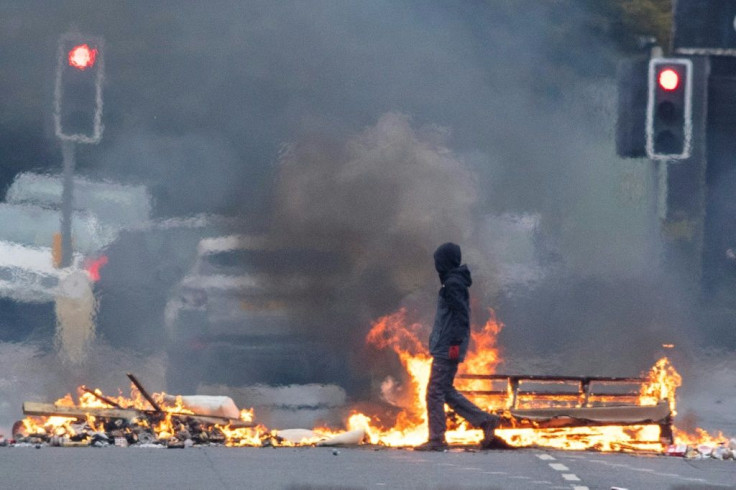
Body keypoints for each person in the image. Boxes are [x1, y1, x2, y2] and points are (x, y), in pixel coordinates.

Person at [414, 242, 500, 451]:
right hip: (447, 345)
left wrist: (454, 343)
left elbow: (461, 316)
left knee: (434, 391)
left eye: (438, 261)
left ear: (445, 262)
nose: (437, 265)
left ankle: (436, 440)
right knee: (445, 390)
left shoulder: (453, 284)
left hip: (448, 347)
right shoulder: (454, 282)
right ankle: (485, 421)